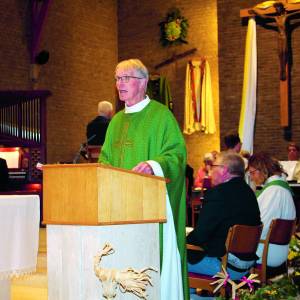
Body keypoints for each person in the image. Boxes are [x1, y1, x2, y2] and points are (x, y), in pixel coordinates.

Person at [99, 59, 188, 300]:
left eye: (126, 78)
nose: (120, 83)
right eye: (117, 78)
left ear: (144, 82)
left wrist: (154, 165)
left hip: (152, 206)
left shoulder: (161, 116)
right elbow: (105, 161)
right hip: (120, 209)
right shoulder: (116, 121)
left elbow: (177, 155)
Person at [187, 152, 261, 299]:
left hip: (225, 266)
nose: (210, 171)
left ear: (224, 169)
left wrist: (182, 243)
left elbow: (200, 234)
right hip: (246, 264)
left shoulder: (218, 194)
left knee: (175, 261)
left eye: (213, 167)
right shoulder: (249, 192)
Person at [248, 152, 296, 267]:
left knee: (220, 253)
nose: (251, 177)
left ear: (263, 169)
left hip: (266, 252)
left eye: (252, 173)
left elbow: (261, 227)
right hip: (274, 249)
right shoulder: (279, 188)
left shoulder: (274, 191)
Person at [250, 2, 300, 81]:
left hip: (284, 37)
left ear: (281, 8)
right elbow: (265, 17)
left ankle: (284, 69)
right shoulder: (276, 18)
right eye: (276, 9)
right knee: (279, 53)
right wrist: (255, 12)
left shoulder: (286, 16)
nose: (277, 10)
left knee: (284, 52)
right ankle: (282, 69)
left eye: (278, 8)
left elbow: (296, 13)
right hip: (279, 37)